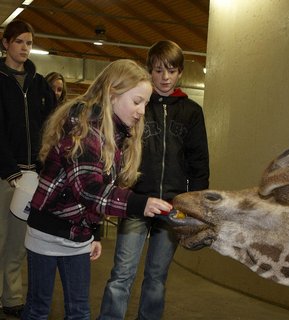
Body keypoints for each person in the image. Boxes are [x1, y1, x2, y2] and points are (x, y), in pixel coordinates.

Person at [21, 58, 173, 320]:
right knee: (38, 307)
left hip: (78, 236)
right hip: (46, 232)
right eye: (137, 101)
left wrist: (94, 234)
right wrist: (140, 204)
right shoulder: (83, 131)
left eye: (146, 104)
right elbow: (89, 190)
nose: (141, 111)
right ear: (112, 93)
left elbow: (102, 189)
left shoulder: (114, 135)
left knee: (79, 310)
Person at [99, 40, 210, 320]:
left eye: (171, 71)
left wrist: (196, 205)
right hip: (136, 200)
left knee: (157, 276)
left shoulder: (191, 112)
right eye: (159, 70)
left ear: (180, 73)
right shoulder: (139, 106)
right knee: (122, 272)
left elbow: (199, 162)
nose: (165, 77)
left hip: (173, 206)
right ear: (150, 71)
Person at [0, 20, 57, 319]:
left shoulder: (40, 84)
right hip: (2, 175)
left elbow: (52, 127)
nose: (24, 47)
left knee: (18, 241)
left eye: (29, 42)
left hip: (32, 177)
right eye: (19, 41)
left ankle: (11, 297)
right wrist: (10, 171)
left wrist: (42, 168)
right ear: (6, 43)